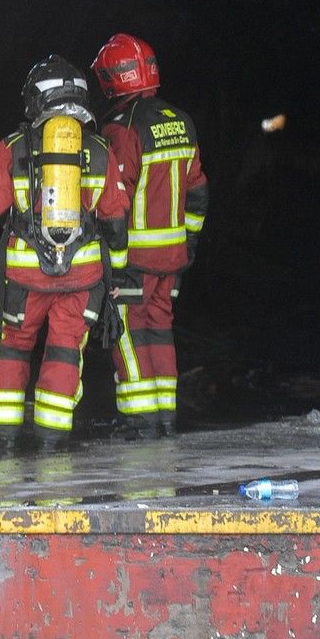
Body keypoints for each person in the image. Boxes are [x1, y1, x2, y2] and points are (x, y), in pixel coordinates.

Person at [0, 56, 133, 447]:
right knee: (65, 352)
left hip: (24, 278)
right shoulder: (99, 149)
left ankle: (3, 439)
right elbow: (115, 221)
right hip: (81, 279)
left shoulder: (13, 147)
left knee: (11, 346)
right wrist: (113, 277)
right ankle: (51, 441)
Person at [91, 32, 209, 435]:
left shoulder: (123, 128)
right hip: (173, 257)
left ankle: (140, 419)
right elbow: (198, 191)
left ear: (114, 78)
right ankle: (165, 415)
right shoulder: (182, 121)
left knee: (126, 328)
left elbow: (115, 201)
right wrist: (189, 242)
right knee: (160, 330)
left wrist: (114, 262)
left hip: (136, 257)